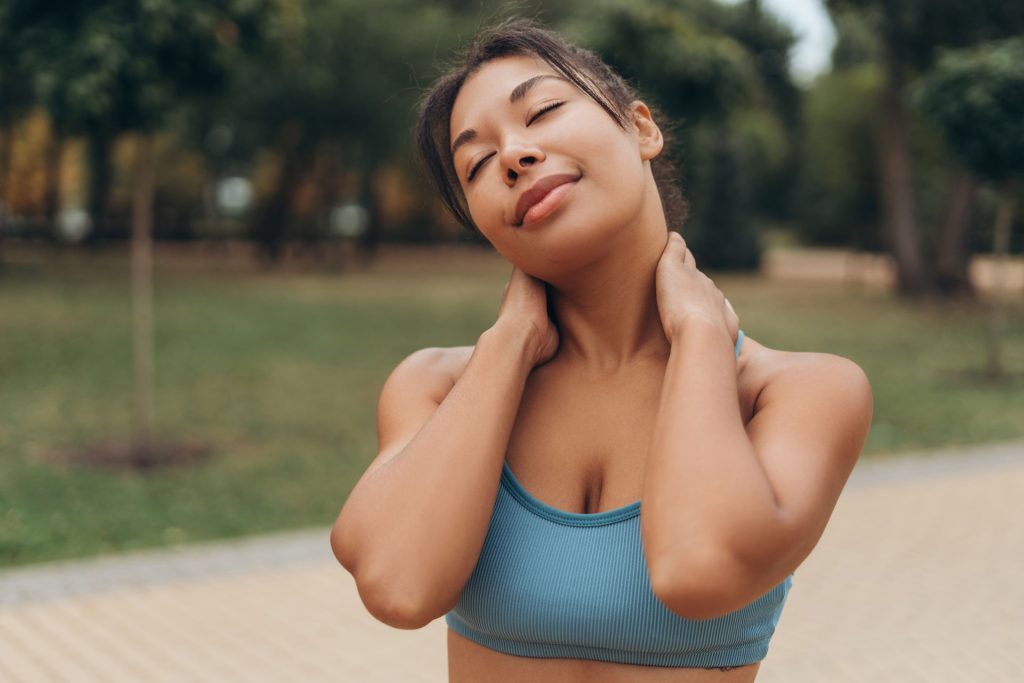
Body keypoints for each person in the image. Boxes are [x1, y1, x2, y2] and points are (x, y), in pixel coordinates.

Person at [331, 17, 873, 683]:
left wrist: (700, 335)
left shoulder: (798, 393)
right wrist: (508, 345)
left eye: (545, 110)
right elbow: (398, 585)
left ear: (641, 127)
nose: (514, 156)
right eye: (475, 163)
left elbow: (698, 567)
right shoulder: (434, 388)